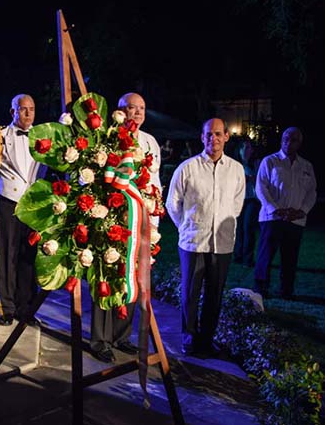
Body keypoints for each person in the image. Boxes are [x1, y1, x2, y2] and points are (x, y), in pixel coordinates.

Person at [88, 92, 161, 363]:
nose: (138, 113)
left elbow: (155, 183)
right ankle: (100, 339)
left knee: (132, 275)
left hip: (140, 219)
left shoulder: (150, 142)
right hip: (113, 216)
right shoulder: (108, 138)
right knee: (106, 274)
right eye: (132, 108)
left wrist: (153, 219)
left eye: (142, 108)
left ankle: (121, 335)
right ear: (121, 111)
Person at [166, 118, 244, 356]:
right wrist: (186, 226)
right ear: (202, 137)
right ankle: (190, 337)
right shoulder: (187, 168)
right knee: (190, 293)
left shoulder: (236, 169)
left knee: (214, 294)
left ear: (226, 137)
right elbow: (172, 203)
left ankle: (207, 339)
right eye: (209, 134)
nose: (214, 139)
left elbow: (237, 204)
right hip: (193, 241)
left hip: (221, 243)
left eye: (218, 134)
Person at [0, 94, 45, 326]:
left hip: (33, 204)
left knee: (29, 257)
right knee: (6, 254)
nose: (27, 114)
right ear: (13, 112)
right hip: (7, 200)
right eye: (22, 109)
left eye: (31, 109)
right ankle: (6, 307)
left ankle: (26, 309)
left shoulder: (43, 136)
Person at [253, 127, 316, 299]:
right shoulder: (270, 161)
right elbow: (261, 187)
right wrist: (275, 209)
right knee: (266, 255)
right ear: (281, 140)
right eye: (286, 138)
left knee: (290, 257)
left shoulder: (306, 166)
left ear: (299, 143)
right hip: (272, 217)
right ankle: (260, 288)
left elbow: (312, 192)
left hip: (295, 220)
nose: (289, 142)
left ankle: (286, 289)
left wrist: (302, 211)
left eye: (293, 139)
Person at [234, 140, 260, 266]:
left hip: (251, 199)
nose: (246, 150)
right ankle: (238, 255)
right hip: (237, 200)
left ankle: (248, 257)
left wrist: (251, 178)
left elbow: (261, 182)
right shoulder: (234, 165)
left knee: (248, 227)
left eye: (249, 148)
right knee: (238, 228)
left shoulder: (256, 164)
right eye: (243, 147)